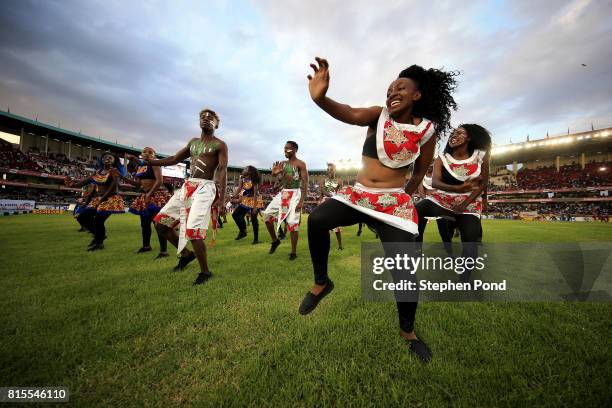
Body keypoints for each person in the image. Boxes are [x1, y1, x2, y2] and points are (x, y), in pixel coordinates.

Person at [299, 57, 458, 364]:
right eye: (389, 89)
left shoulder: (426, 131)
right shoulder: (377, 115)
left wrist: (401, 198)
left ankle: (408, 332)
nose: (392, 92)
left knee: (405, 273)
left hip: (391, 201)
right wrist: (320, 98)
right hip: (359, 195)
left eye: (401, 87)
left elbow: (421, 170)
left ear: (417, 95)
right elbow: (347, 112)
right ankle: (322, 282)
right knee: (318, 219)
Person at [138, 108, 228, 285]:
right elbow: (173, 159)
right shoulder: (193, 142)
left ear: (216, 124)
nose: (205, 119)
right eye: (202, 116)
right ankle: (187, 255)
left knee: (194, 230)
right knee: (161, 224)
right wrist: (150, 162)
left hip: (205, 187)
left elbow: (223, 170)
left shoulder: (220, 145)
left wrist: (222, 199)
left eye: (210, 117)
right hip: (188, 186)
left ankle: (205, 272)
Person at [415, 124, 491, 281]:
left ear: (469, 138)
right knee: (415, 210)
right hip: (442, 200)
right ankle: (415, 247)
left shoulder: (480, 156)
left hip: (468, 203)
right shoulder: (442, 158)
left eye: (460, 132)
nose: (454, 135)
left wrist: (465, 203)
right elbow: (435, 183)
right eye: (453, 132)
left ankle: (464, 277)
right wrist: (459, 188)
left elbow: (483, 183)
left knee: (470, 240)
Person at [67, 152, 126, 251]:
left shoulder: (114, 171)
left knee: (99, 220)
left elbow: (114, 186)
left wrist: (102, 199)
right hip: (98, 198)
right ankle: (99, 236)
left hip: (110, 199)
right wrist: (74, 185)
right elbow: (87, 180)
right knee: (82, 217)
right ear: (101, 160)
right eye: (105, 157)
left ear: (114, 160)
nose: (107, 158)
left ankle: (99, 243)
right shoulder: (98, 171)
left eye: (110, 157)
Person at [262, 141, 308, 260]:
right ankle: (275, 241)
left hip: (295, 194)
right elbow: (280, 180)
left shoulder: (301, 164)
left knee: (293, 224)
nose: (284, 151)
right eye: (284, 148)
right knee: (266, 216)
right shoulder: (282, 164)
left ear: (294, 150)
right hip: (284, 193)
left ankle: (293, 252)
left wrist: (301, 201)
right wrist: (275, 176)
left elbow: (305, 183)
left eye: (287, 149)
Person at [125, 147, 171, 258]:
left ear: (154, 155)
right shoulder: (140, 167)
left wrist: (149, 194)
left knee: (159, 224)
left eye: (150, 152)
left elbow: (159, 181)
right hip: (145, 196)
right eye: (144, 151)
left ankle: (163, 251)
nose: (147, 153)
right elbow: (138, 184)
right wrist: (122, 177)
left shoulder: (154, 164)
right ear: (141, 154)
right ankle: (146, 246)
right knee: (145, 224)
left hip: (156, 196)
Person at [232, 166, 264, 244]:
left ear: (249, 172)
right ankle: (243, 231)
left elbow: (256, 193)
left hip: (255, 199)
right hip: (247, 199)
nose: (243, 170)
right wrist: (234, 195)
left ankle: (256, 240)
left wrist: (255, 207)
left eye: (245, 169)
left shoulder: (254, 180)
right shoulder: (242, 178)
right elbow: (239, 188)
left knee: (253, 219)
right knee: (235, 214)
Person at [318, 163, 343, 250]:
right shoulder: (323, 180)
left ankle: (340, 245)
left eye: (331, 170)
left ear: (335, 170)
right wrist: (319, 202)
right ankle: (325, 245)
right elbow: (322, 191)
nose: (329, 171)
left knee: (336, 226)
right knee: (324, 225)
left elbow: (341, 193)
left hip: (334, 203)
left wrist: (335, 197)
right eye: (328, 170)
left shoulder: (339, 180)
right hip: (325, 202)